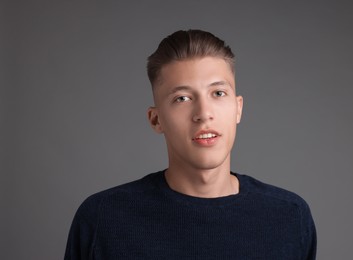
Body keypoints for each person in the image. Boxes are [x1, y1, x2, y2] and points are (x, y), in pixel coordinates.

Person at [64, 29, 316, 259]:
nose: (203, 113)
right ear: (156, 119)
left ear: (238, 108)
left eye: (218, 93)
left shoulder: (290, 216)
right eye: (182, 98)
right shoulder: (103, 218)